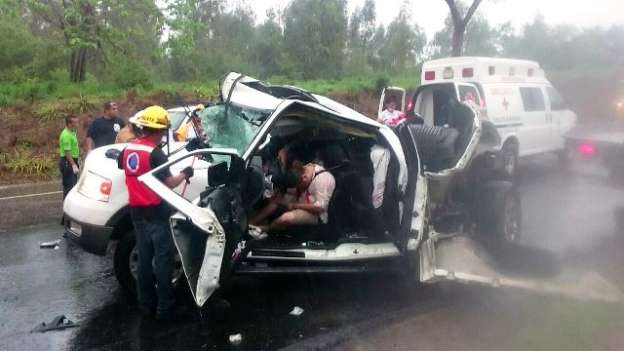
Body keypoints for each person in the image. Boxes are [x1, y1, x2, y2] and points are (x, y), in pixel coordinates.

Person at [118, 106, 194, 321]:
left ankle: (145, 306)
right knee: (163, 260)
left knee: (144, 260)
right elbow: (169, 182)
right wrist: (185, 173)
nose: (164, 135)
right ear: (158, 130)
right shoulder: (155, 153)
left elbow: (129, 166)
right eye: (163, 131)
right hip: (157, 213)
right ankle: (165, 309)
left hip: (136, 211)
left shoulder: (130, 148)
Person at [250, 162, 335, 235]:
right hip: (303, 199)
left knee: (285, 218)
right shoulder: (304, 169)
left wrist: (295, 206)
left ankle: (267, 229)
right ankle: (253, 222)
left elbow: (319, 208)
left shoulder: (323, 180)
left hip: (316, 213)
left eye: (299, 186)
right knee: (276, 200)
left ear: (304, 179)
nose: (298, 188)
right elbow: (293, 189)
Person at [58, 115, 80, 199]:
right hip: (68, 162)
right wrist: (73, 165)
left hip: (72, 160)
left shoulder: (72, 132)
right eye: (76, 122)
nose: (78, 124)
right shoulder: (66, 135)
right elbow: (67, 152)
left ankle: (71, 204)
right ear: (70, 124)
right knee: (69, 186)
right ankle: (67, 207)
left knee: (73, 185)